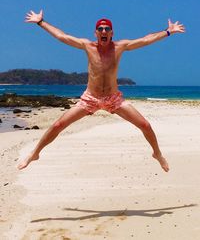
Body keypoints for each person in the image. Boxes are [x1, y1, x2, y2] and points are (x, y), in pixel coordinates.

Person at [18, 10, 185, 171]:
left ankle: (157, 154)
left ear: (112, 33)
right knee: (58, 125)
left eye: (107, 29)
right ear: (96, 33)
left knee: (145, 125)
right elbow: (62, 36)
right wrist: (41, 22)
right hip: (90, 98)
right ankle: (34, 154)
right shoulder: (87, 46)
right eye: (100, 29)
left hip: (113, 98)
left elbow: (145, 40)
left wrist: (168, 31)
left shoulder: (120, 46)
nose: (103, 31)